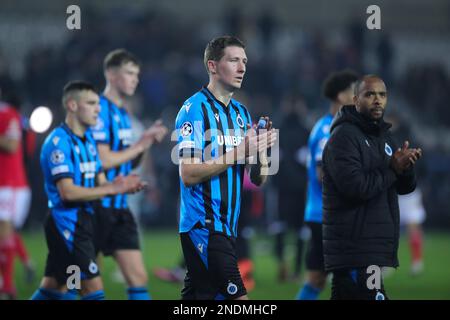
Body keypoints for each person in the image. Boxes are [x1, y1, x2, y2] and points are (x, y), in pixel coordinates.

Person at [175, 35, 277, 300]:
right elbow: (188, 174)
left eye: (244, 61)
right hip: (205, 226)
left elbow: (258, 179)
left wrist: (261, 152)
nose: (242, 68)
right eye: (233, 60)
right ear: (212, 66)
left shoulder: (242, 113)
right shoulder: (193, 110)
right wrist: (240, 151)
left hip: (228, 229)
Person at [31, 81, 145, 300]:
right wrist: (110, 190)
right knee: (91, 291)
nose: (98, 109)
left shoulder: (89, 141)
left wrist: (121, 185)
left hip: (84, 222)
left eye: (98, 104)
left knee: (53, 289)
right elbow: (68, 193)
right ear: (72, 105)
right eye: (91, 103)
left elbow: (101, 180)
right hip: (66, 225)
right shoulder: (58, 143)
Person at [322, 75, 422, 300]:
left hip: (370, 249)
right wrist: (393, 169)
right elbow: (356, 188)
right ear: (356, 100)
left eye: (382, 95)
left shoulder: (385, 137)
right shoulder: (344, 138)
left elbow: (404, 188)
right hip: (355, 250)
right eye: (370, 94)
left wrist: (406, 167)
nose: (377, 100)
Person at [91, 49, 168, 300]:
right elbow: (103, 159)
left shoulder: (124, 116)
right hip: (93, 206)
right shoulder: (97, 109)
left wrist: (145, 142)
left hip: (119, 206)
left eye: (137, 74)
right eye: (129, 73)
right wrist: (138, 145)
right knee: (76, 284)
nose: (135, 79)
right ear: (112, 76)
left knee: (138, 278)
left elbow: (128, 160)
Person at [296, 70, 358, 300]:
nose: (358, 95)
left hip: (324, 215)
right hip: (328, 216)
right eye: (354, 90)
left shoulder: (336, 125)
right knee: (351, 275)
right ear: (341, 96)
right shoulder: (328, 129)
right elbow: (325, 175)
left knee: (318, 279)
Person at [0, 95, 34, 299]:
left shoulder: (7, 114)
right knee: (6, 231)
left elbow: (12, 146)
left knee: (4, 231)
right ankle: (26, 263)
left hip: (9, 184)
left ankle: (8, 287)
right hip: (8, 183)